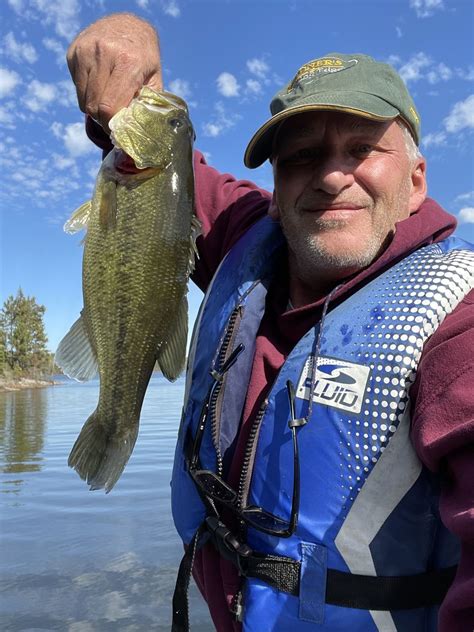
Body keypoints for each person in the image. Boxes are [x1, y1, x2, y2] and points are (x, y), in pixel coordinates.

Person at [67, 13, 474, 632]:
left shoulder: (456, 322)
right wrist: (130, 51)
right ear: (278, 186)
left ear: (416, 180)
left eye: (363, 149)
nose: (333, 176)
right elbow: (156, 170)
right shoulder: (251, 237)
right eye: (303, 156)